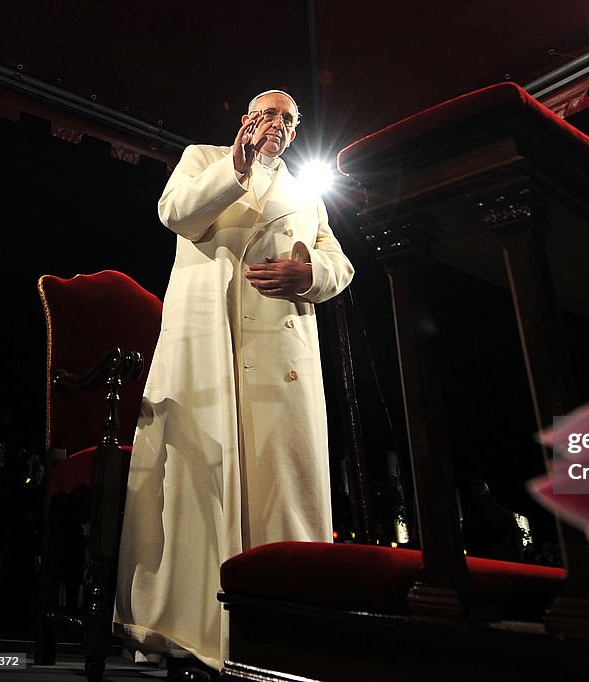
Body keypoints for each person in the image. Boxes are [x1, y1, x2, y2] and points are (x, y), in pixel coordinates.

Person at [115, 89, 354, 679]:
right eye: (267, 113)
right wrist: (239, 165)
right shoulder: (203, 158)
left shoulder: (307, 194)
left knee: (280, 479)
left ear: (296, 134)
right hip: (209, 340)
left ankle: (282, 629)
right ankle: (186, 623)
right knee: (202, 476)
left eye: (287, 119)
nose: (276, 124)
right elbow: (176, 213)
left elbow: (341, 265)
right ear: (246, 119)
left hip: (279, 351)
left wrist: (311, 272)